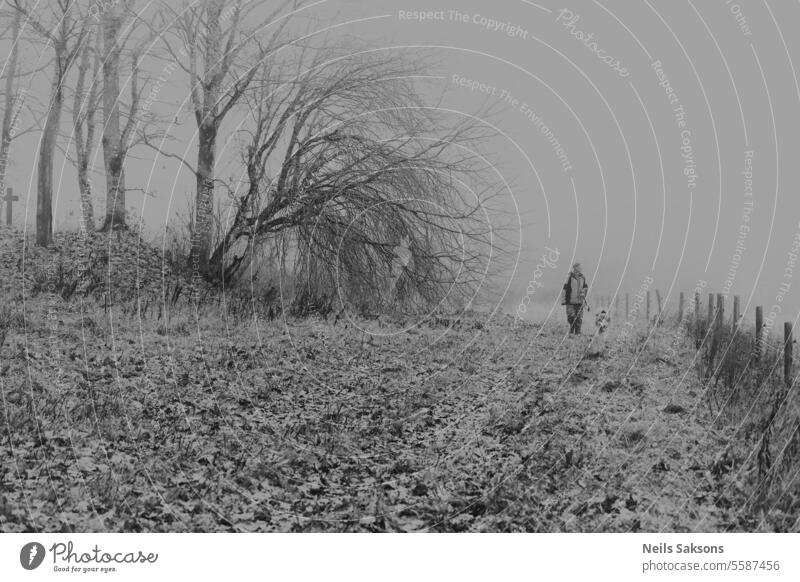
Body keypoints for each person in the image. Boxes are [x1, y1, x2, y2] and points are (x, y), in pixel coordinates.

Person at [561, 262, 589, 334]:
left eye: (581, 268)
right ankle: (571, 329)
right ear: (575, 268)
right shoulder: (569, 277)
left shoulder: (583, 277)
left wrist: (584, 291)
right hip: (570, 301)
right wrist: (563, 300)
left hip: (580, 301)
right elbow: (564, 289)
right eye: (579, 267)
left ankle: (577, 333)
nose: (580, 269)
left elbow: (585, 286)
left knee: (579, 318)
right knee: (571, 317)